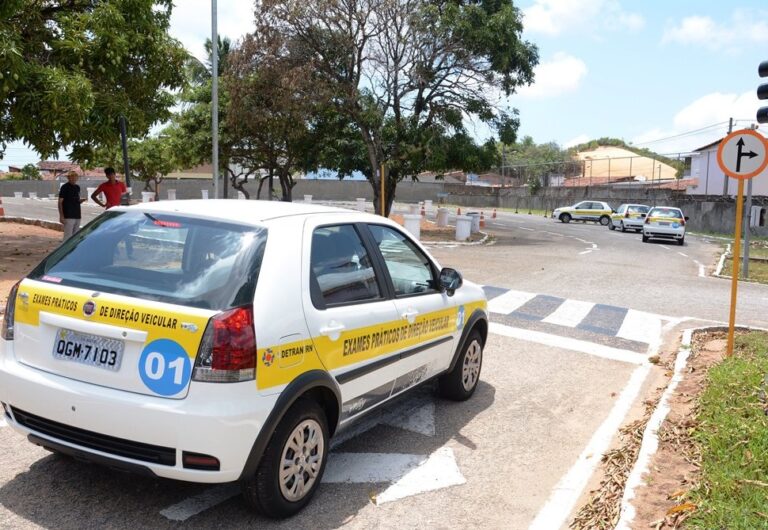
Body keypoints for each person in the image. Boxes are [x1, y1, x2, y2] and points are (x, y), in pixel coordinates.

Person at [58, 171, 87, 241]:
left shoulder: (77, 187)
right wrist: (61, 216)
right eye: (72, 177)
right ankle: (65, 251)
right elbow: (60, 202)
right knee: (67, 236)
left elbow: (76, 200)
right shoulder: (64, 187)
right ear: (68, 178)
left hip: (77, 215)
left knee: (75, 236)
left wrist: (81, 201)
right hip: (68, 215)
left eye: (75, 177)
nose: (74, 179)